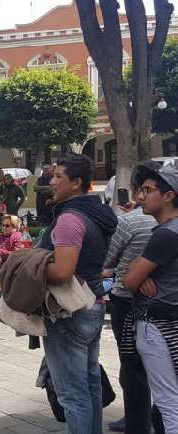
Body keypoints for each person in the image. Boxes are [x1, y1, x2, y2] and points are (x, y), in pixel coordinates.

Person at [40, 153, 117, 434]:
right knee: (90, 383)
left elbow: (62, 271)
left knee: (73, 394)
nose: (52, 181)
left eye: (58, 176)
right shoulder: (97, 213)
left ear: (76, 183)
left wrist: (27, 266)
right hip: (93, 304)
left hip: (69, 310)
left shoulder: (70, 219)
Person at [102, 161, 162, 434]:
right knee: (161, 366)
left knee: (132, 365)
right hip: (163, 301)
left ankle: (137, 421)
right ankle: (157, 417)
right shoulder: (166, 223)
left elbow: (108, 261)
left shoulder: (129, 222)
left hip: (127, 300)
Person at [122, 164, 178, 433]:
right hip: (168, 320)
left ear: (169, 195)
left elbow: (129, 280)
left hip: (159, 324)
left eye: (148, 190)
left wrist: (136, 272)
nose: (141, 196)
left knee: (168, 400)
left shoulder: (167, 234)